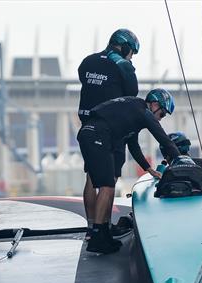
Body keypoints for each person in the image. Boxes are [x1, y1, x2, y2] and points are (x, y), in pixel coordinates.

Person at [77, 88, 182, 254]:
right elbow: (162, 138)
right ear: (154, 104)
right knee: (107, 185)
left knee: (93, 180)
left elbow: (133, 145)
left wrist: (148, 168)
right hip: (98, 135)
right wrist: (181, 160)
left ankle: (100, 232)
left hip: (88, 132)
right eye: (161, 114)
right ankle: (97, 237)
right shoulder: (143, 111)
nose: (160, 119)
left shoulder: (133, 110)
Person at [77, 28, 140, 240]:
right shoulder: (122, 66)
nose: (131, 57)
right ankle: (102, 227)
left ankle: (91, 226)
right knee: (109, 180)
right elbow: (133, 91)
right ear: (124, 47)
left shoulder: (87, 61)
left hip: (87, 125)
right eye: (131, 52)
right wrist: (125, 66)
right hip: (110, 128)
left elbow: (83, 78)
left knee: (90, 178)